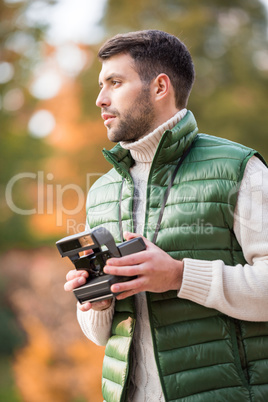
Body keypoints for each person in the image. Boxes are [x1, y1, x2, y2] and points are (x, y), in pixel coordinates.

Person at [64, 30, 268, 402]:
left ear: (160, 87)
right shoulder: (102, 192)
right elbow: (102, 338)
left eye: (115, 82)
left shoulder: (240, 169)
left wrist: (178, 275)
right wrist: (98, 301)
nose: (100, 99)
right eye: (101, 85)